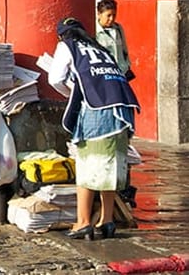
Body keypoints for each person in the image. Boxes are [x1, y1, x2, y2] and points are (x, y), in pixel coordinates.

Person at [49, 17, 140, 241]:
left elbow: (55, 78)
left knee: (88, 164)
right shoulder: (99, 47)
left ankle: (82, 223)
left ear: (62, 35)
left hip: (97, 109)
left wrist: (72, 94)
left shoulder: (66, 46)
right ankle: (106, 220)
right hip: (123, 110)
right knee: (108, 166)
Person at [94, 0, 132, 80]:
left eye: (114, 15)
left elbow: (124, 49)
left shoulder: (118, 28)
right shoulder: (94, 31)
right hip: (105, 73)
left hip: (121, 71)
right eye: (108, 15)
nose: (111, 19)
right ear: (99, 14)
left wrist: (127, 65)